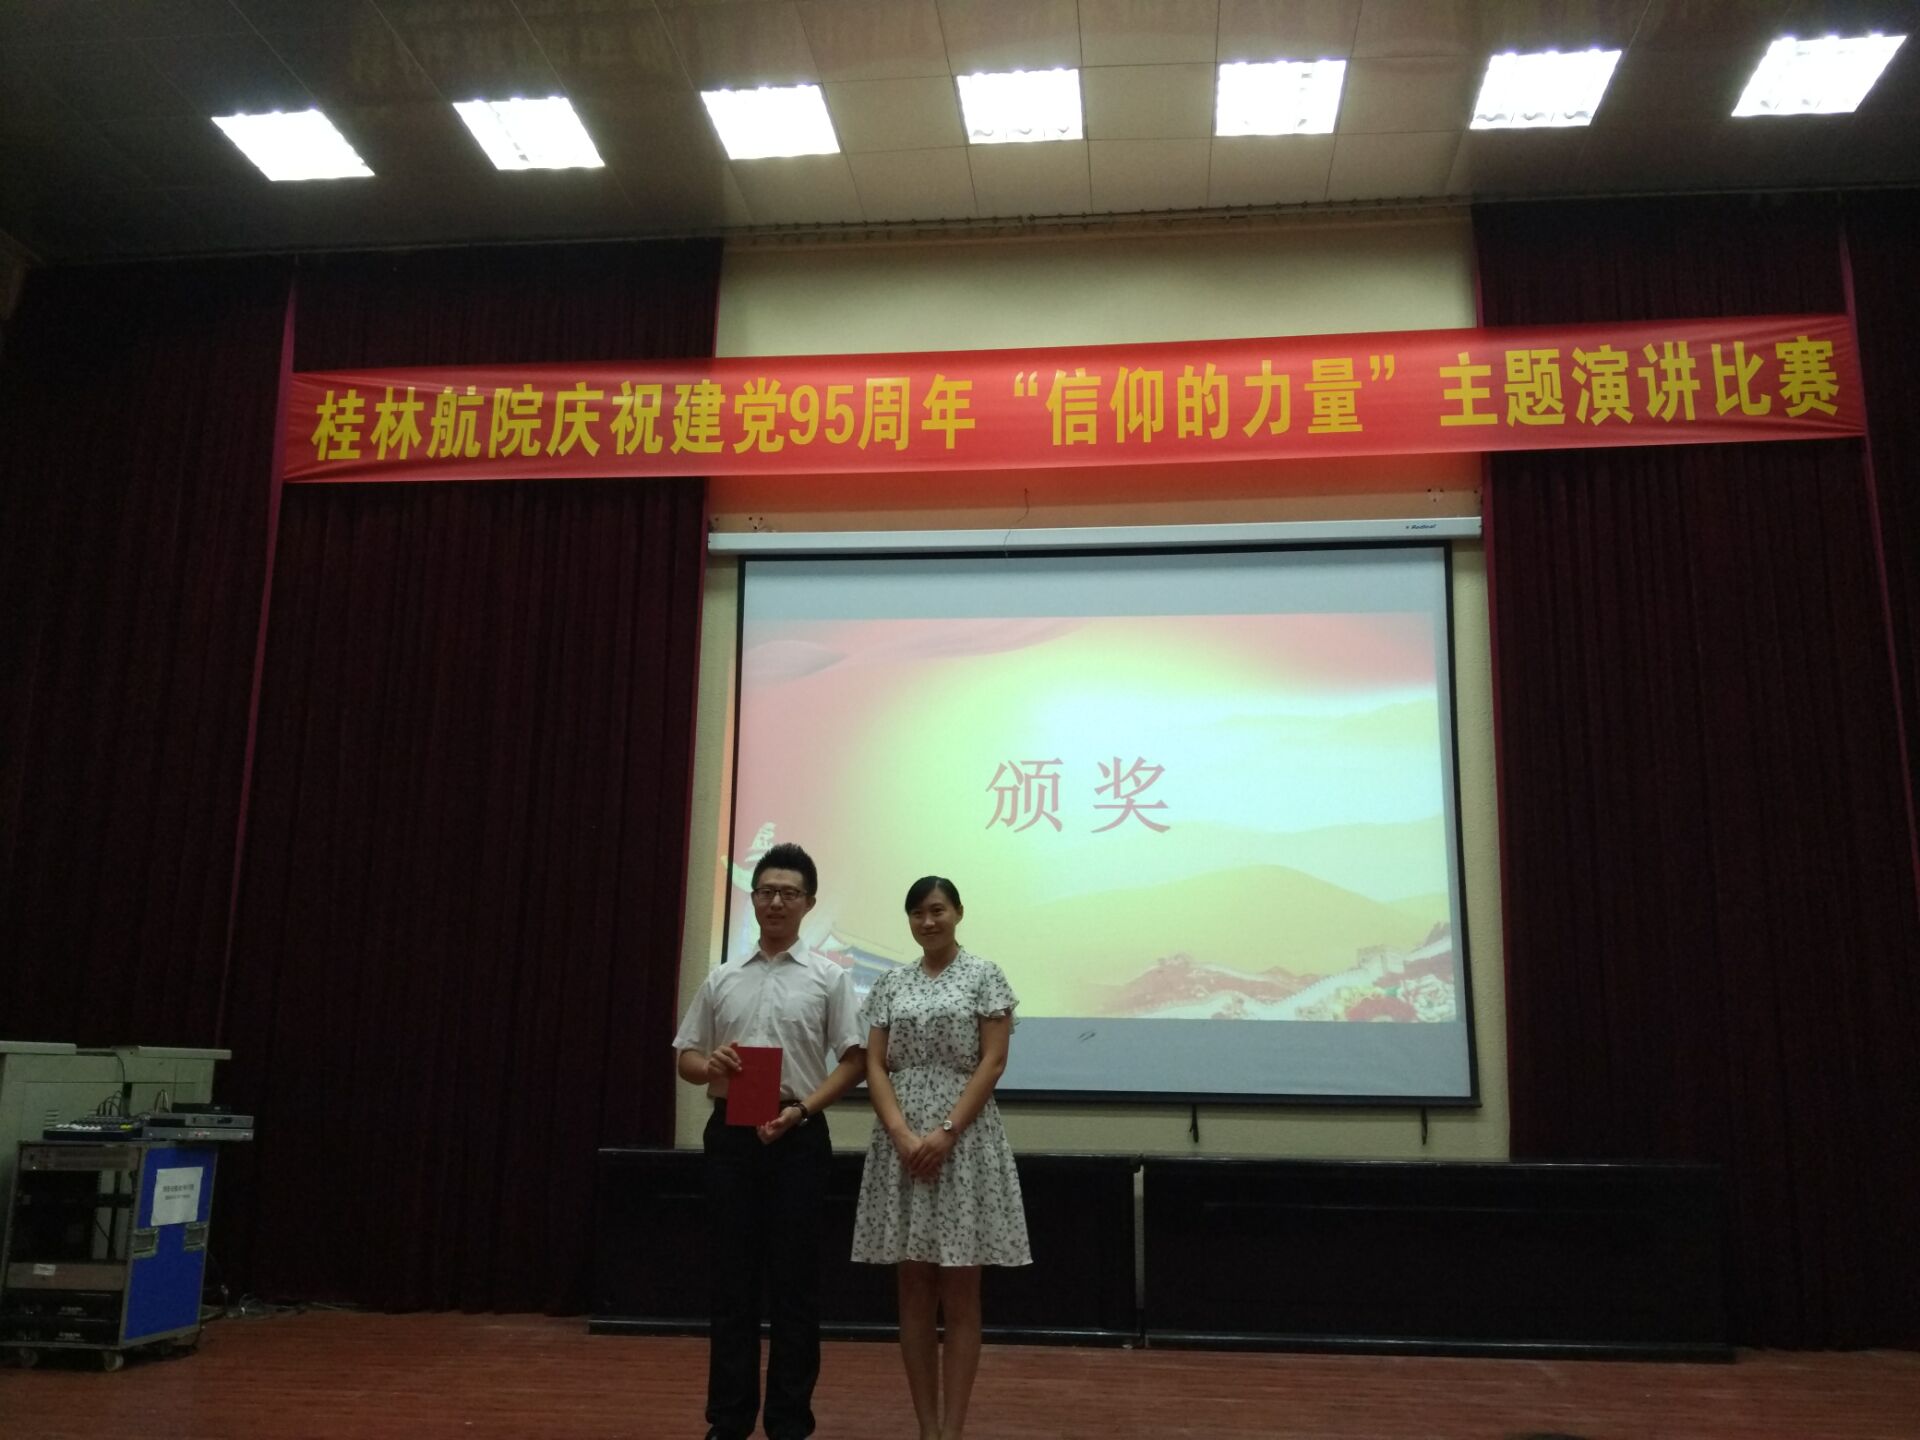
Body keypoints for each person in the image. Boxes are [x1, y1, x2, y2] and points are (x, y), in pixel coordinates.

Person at [673, 842, 866, 1440]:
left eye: (789, 893)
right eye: (766, 891)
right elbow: (686, 1058)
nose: (776, 902)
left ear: (808, 903)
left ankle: (788, 1423)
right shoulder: (723, 977)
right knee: (731, 1284)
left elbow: (854, 1061)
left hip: (798, 1136)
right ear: (752, 899)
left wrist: (802, 1110)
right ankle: (728, 1420)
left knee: (795, 1287)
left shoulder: (830, 979)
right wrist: (711, 1066)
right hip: (731, 1137)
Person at [851, 876, 1031, 1440]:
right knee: (912, 1289)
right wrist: (902, 1134)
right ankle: (926, 1428)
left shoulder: (984, 975)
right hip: (901, 1144)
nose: (927, 922)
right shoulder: (891, 983)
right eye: (917, 914)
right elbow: (875, 1064)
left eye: (936, 910)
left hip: (964, 1142)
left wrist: (947, 1132)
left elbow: (993, 1061)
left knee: (960, 1291)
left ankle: (953, 1430)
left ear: (957, 912)